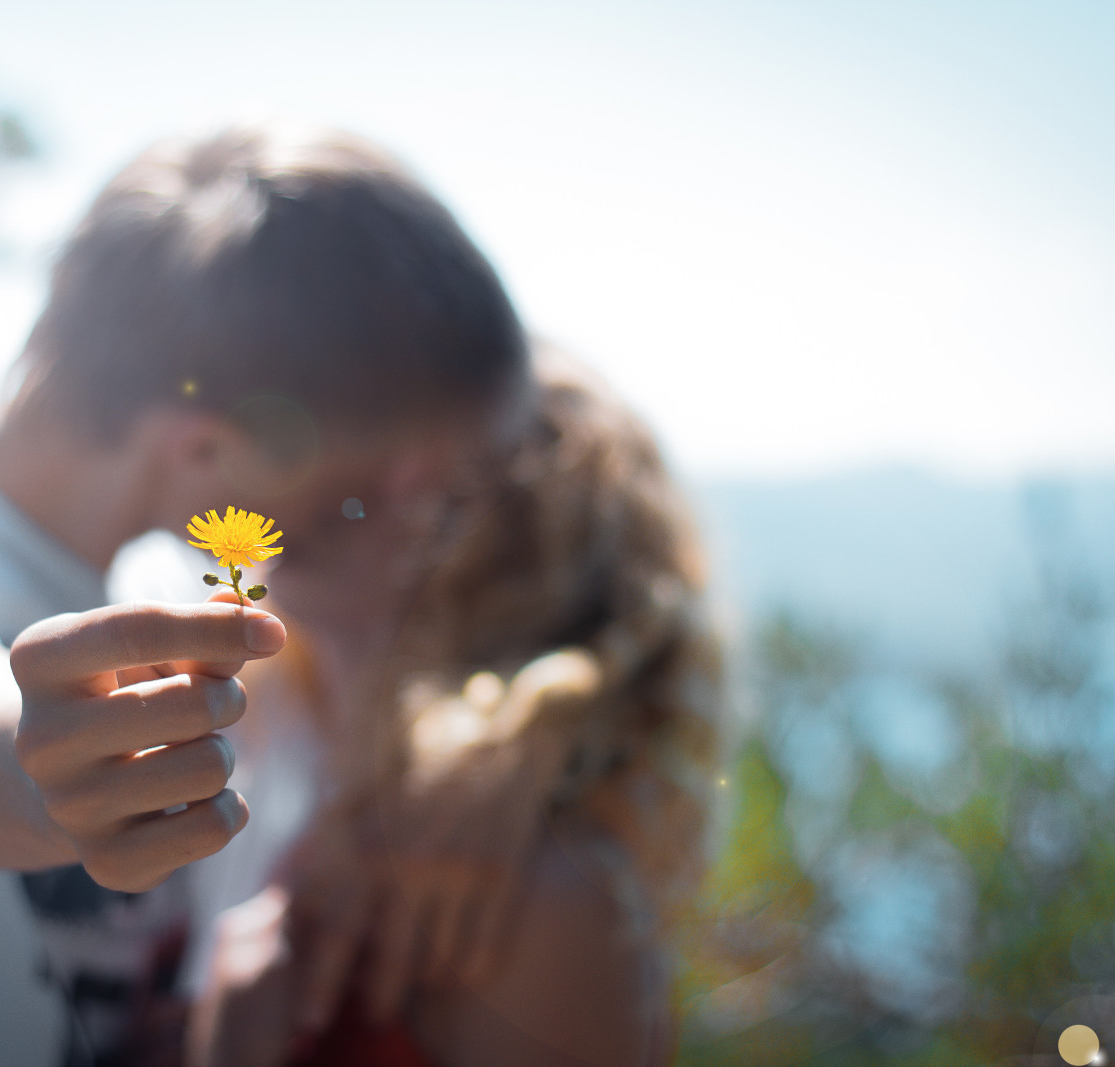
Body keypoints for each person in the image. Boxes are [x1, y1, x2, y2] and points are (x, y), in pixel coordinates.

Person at [0, 121, 529, 1067]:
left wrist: (489, 784)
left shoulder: (174, 583)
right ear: (205, 448)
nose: (399, 521)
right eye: (366, 488)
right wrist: (30, 765)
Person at [184, 351, 725, 1066]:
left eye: (419, 459)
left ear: (522, 552)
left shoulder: (532, 903)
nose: (340, 464)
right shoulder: (271, 725)